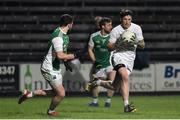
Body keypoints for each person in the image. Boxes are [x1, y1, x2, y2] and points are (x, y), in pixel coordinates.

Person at [18, 14, 80, 116]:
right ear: (69, 24)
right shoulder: (58, 37)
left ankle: (29, 94)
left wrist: (66, 62)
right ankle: (51, 111)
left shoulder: (65, 36)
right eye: (72, 23)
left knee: (55, 92)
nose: (73, 25)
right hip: (48, 67)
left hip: (55, 67)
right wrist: (75, 55)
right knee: (61, 93)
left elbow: (61, 54)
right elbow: (60, 55)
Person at [87, 9, 145, 112]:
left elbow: (142, 45)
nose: (127, 21)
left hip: (130, 58)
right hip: (117, 56)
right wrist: (119, 43)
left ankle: (98, 82)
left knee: (114, 86)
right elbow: (109, 47)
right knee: (125, 76)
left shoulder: (137, 28)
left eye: (129, 19)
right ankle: (126, 106)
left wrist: (133, 41)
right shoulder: (116, 30)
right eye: (125, 19)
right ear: (121, 19)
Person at [87, 17, 116, 107]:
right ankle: (95, 102)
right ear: (103, 26)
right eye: (109, 25)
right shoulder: (94, 36)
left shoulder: (113, 36)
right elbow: (90, 49)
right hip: (99, 64)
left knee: (111, 82)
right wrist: (95, 61)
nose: (111, 27)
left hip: (111, 64)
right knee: (95, 83)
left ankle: (108, 101)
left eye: (111, 25)